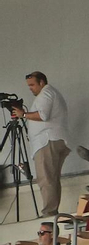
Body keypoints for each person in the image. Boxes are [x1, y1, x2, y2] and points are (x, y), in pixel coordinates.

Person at [11, 72, 69, 218]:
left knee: (46, 178)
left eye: (32, 85)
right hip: (53, 140)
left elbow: (43, 115)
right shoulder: (49, 93)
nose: (30, 88)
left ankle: (49, 213)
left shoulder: (46, 93)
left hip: (47, 141)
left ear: (42, 82)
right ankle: (51, 211)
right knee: (52, 178)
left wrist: (23, 114)